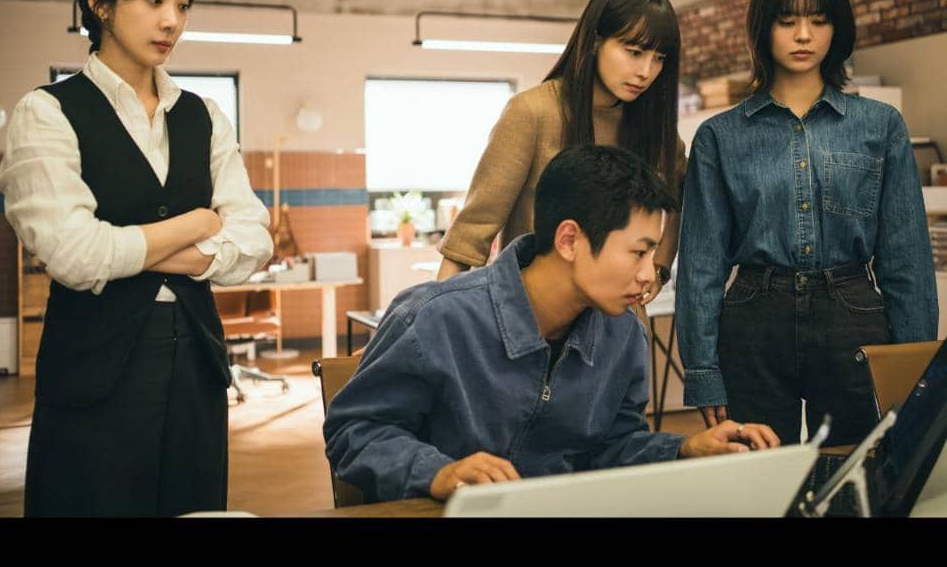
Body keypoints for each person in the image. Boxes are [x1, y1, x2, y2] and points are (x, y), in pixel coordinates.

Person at [0, 0, 274, 516]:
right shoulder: (47, 112)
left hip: (197, 365)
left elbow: (254, 240)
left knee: (194, 509)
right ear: (100, 3)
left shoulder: (203, 115)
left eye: (183, 4)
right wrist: (198, 223)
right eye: (153, 0)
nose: (172, 21)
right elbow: (75, 256)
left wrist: (130, 249)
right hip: (93, 373)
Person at [324, 145, 778, 504]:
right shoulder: (434, 317)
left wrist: (684, 449)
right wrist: (438, 473)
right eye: (638, 252)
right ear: (569, 239)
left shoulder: (623, 334)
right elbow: (354, 432)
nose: (648, 275)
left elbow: (611, 448)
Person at [675, 0, 939, 446]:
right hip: (754, 320)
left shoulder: (880, 126)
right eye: (786, 20)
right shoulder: (720, 136)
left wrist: (916, 368)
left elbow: (906, 257)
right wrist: (703, 370)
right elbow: (701, 265)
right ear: (763, 28)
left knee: (856, 469)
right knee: (760, 473)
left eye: (819, 20)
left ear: (837, 28)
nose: (803, 35)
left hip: (851, 316)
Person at [436, 0, 686, 314]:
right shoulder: (534, 112)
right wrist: (436, 317)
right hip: (535, 316)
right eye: (634, 52)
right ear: (595, 41)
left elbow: (678, 200)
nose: (646, 71)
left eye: (659, 58)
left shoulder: (656, 131)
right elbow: (471, 234)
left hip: (617, 322)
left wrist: (660, 265)